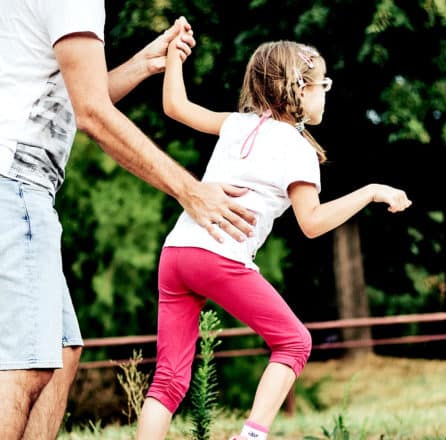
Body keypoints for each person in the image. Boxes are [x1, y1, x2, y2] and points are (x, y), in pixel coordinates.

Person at [0, 3, 256, 439]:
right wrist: (191, 191)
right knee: (27, 365)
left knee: (61, 353)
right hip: (6, 182)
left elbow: (76, 95)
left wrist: (143, 64)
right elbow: (92, 115)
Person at [135, 39, 412, 440]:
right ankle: (251, 437)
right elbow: (312, 223)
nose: (325, 93)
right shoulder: (297, 149)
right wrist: (370, 192)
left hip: (176, 254)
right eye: (323, 85)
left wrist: (176, 59)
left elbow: (175, 106)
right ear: (300, 90)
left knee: (169, 379)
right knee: (295, 343)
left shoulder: (237, 123)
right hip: (218, 258)